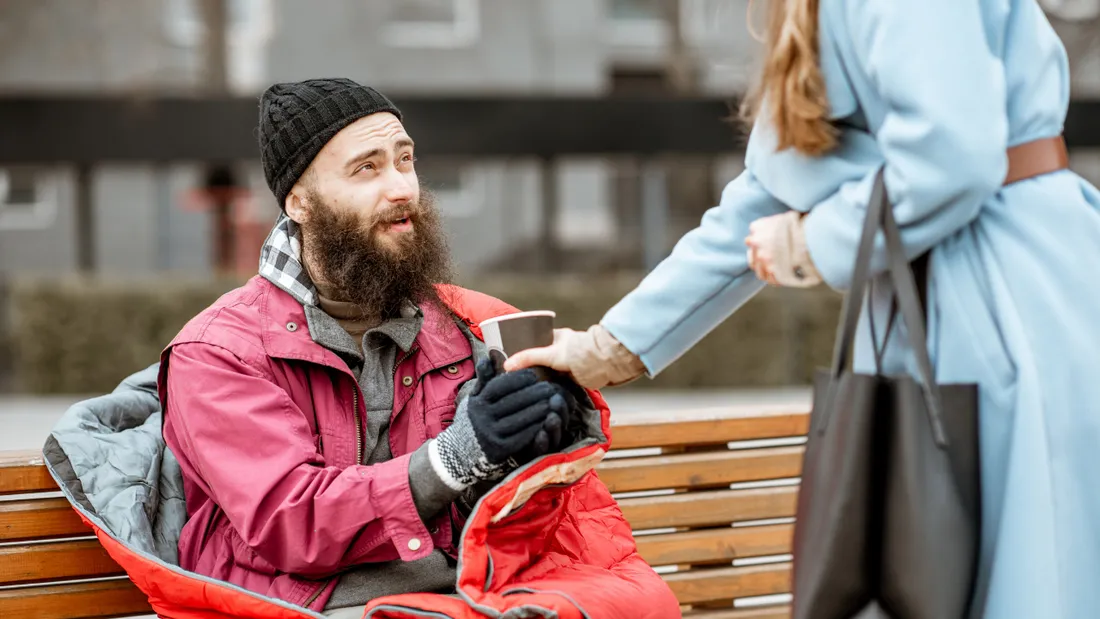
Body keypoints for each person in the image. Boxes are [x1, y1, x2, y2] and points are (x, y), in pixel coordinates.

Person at [506, 2, 1100, 618]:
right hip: (945, 288)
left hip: (1004, 287)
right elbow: (760, 201)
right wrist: (603, 349)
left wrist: (815, 241)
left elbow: (950, 158)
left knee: (1030, 569)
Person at [156, 78, 679, 618]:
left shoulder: (469, 321)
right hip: (311, 606)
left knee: (640, 606)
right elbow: (291, 520)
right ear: (300, 202)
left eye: (405, 160)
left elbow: (527, 518)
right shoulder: (216, 351)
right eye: (368, 168)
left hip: (472, 591)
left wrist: (535, 451)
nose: (403, 187)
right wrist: (455, 457)